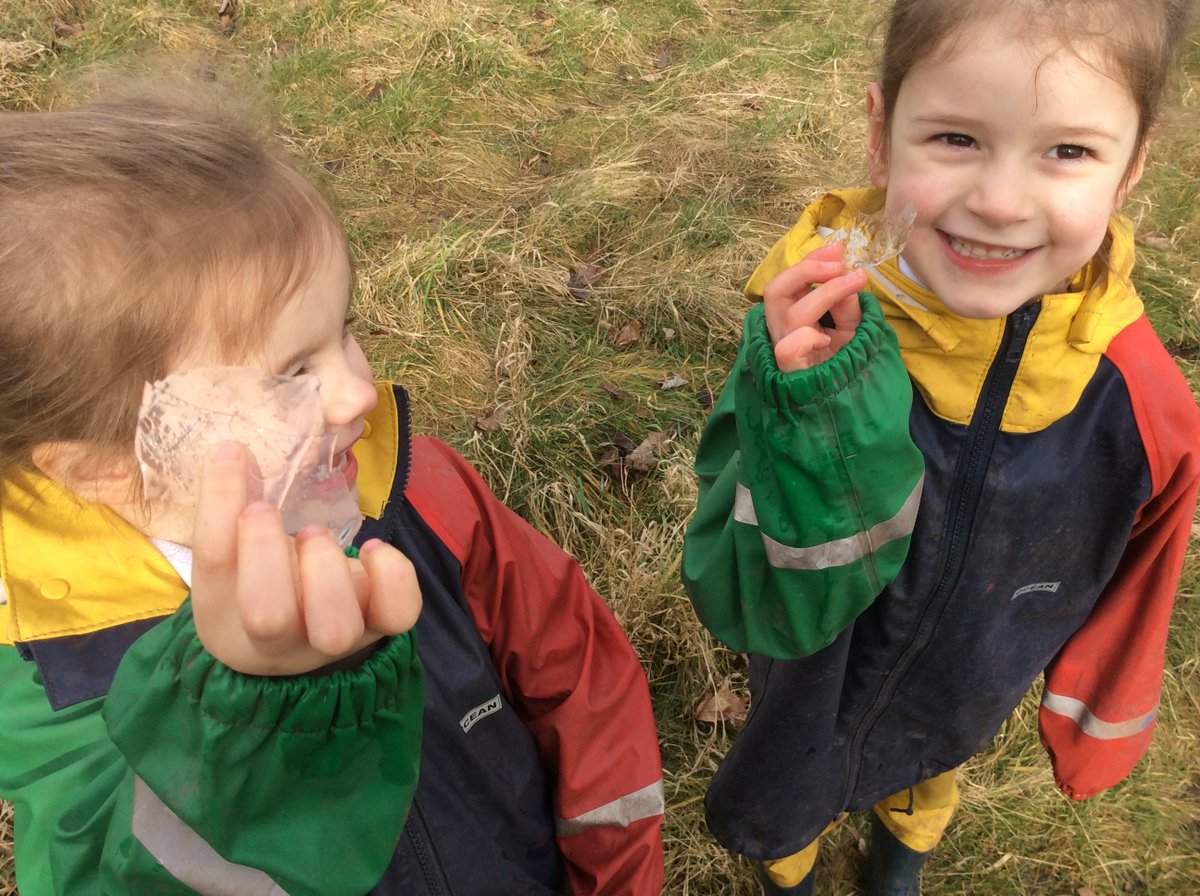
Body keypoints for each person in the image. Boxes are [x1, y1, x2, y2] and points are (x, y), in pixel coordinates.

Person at [0, 81, 664, 895]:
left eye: (343, 330)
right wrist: (241, 719)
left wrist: (617, 872)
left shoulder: (415, 487)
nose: (358, 393)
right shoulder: (50, 672)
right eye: (293, 372)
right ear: (101, 467)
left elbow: (574, 664)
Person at [681, 0, 1200, 893]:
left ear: (1133, 165)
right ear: (882, 132)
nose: (999, 202)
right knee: (795, 776)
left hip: (970, 676)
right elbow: (738, 582)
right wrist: (804, 407)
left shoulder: (1139, 399)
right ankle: (793, 866)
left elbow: (1140, 572)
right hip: (814, 668)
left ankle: (903, 854)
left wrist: (1095, 720)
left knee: (933, 753)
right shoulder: (812, 335)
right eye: (956, 138)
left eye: (1069, 150)